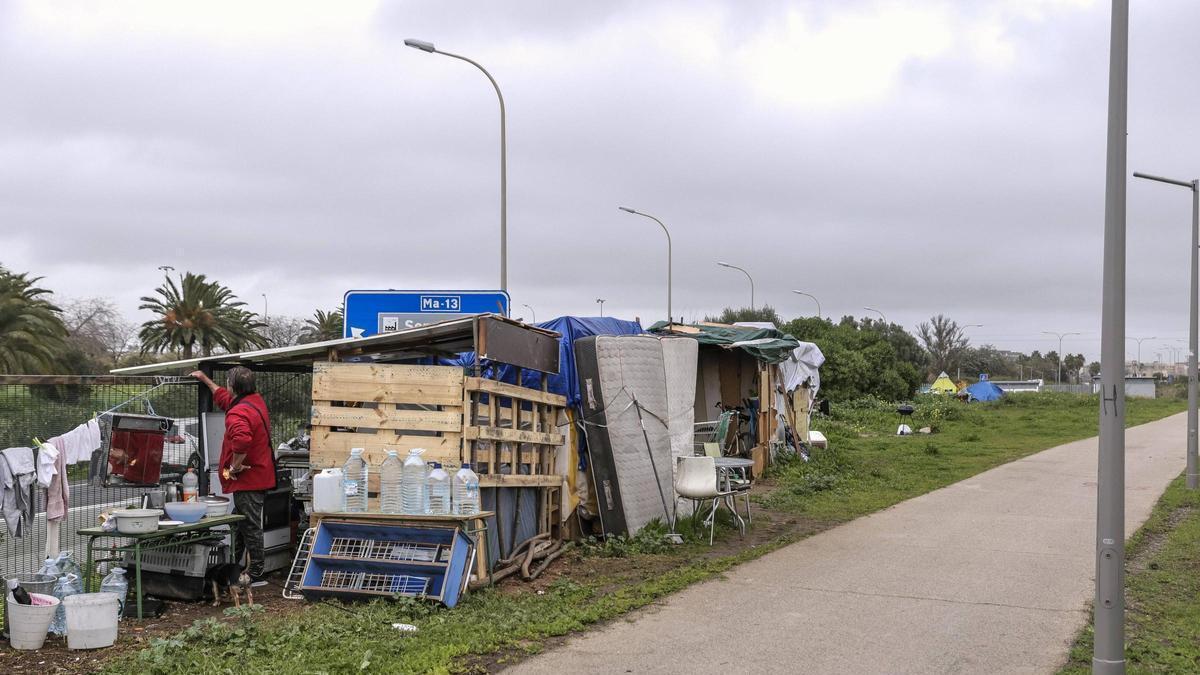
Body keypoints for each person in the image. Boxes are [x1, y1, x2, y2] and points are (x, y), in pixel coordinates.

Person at [190, 367, 276, 584]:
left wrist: (236, 466)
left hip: (248, 480)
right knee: (240, 523)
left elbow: (242, 441)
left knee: (250, 525)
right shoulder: (254, 401)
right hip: (260, 475)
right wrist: (205, 379)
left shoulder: (238, 413)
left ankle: (255, 572)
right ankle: (235, 566)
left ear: (233, 386)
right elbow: (223, 398)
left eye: (227, 382)